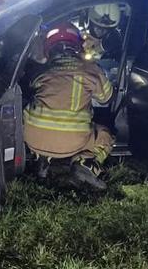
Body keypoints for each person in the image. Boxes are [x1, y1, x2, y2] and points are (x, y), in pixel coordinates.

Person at [23, 22, 115, 190]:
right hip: (73, 143)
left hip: (32, 140)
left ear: (48, 48)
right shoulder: (90, 69)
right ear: (78, 46)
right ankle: (84, 165)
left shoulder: (41, 72)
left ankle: (43, 158)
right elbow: (106, 98)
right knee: (105, 136)